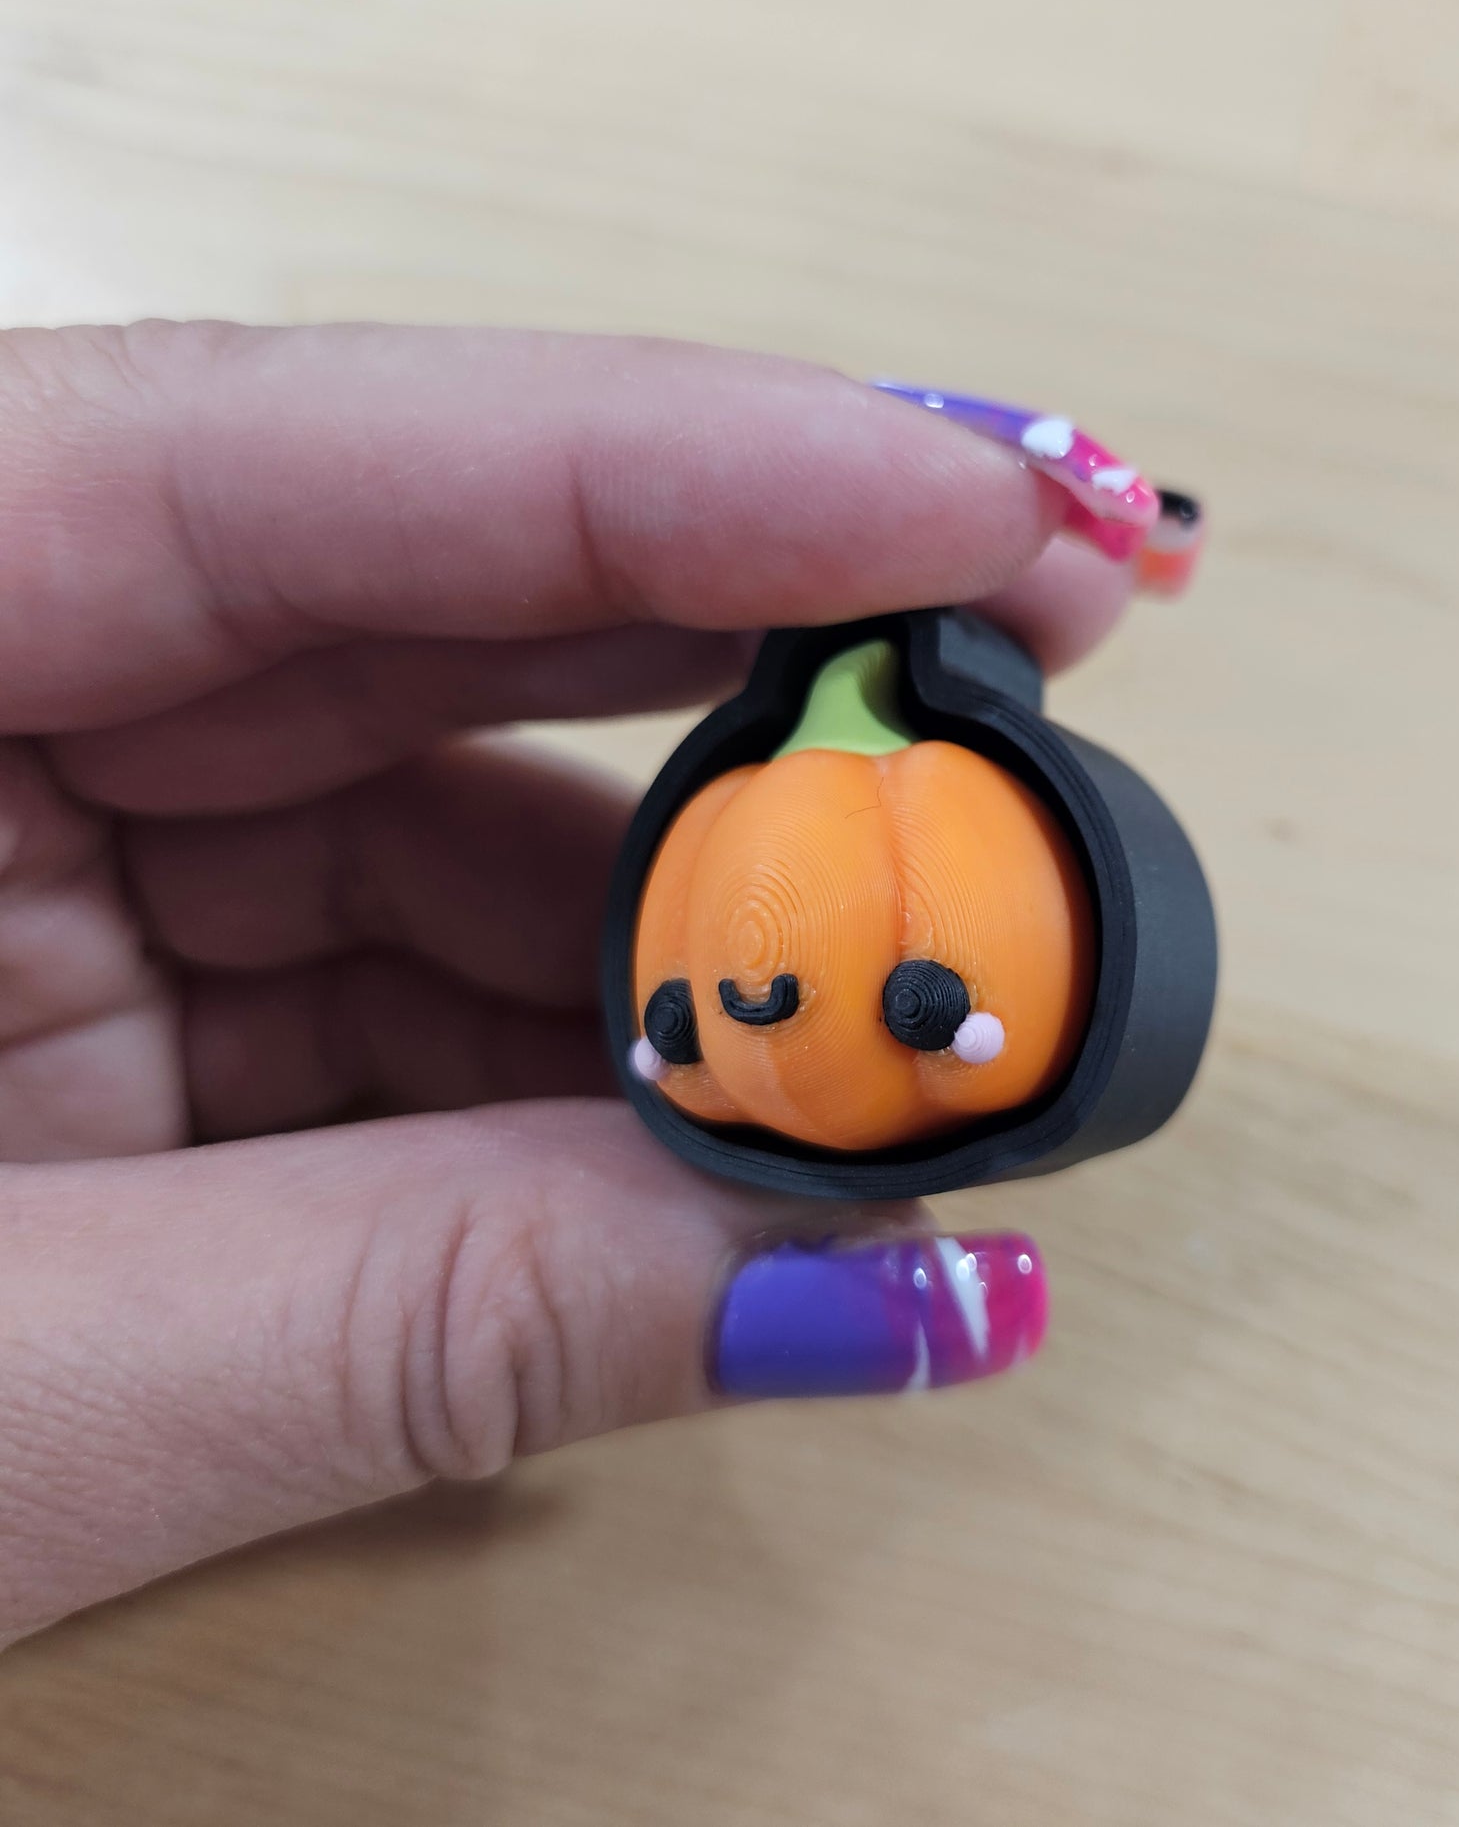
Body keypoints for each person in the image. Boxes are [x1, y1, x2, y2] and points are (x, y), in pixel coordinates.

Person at [0, 322, 1135, 1647]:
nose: (758, 1022)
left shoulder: (901, 806)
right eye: (679, 1013)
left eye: (915, 995)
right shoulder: (761, 812)